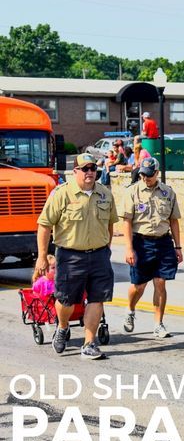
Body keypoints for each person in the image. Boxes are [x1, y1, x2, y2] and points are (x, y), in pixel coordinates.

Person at [36, 153, 119, 360]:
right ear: (75, 172)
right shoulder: (62, 194)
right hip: (70, 255)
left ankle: (89, 343)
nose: (90, 172)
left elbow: (110, 223)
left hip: (99, 255)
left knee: (97, 298)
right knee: (66, 300)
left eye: (94, 169)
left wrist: (106, 247)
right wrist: (42, 256)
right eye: (86, 169)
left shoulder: (105, 194)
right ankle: (63, 327)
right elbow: (44, 225)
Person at [120, 157, 183, 339]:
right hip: (141, 242)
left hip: (163, 242)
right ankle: (130, 310)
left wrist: (178, 247)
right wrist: (128, 248)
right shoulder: (132, 192)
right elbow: (126, 221)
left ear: (157, 173)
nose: (145, 179)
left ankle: (158, 323)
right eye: (143, 175)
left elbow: (174, 220)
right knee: (139, 285)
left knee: (160, 283)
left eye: (149, 175)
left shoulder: (168, 193)